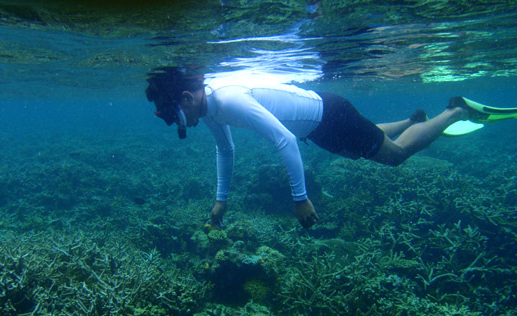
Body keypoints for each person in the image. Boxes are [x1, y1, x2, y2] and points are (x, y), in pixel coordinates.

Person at [146, 67, 473, 229]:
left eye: (173, 116)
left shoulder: (228, 100)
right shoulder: (208, 106)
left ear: (187, 98)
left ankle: (455, 111)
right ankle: (412, 120)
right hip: (316, 128)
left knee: (396, 156)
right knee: (364, 148)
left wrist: (300, 199)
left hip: (330, 116)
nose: (176, 125)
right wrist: (221, 200)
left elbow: (284, 140)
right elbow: (226, 151)